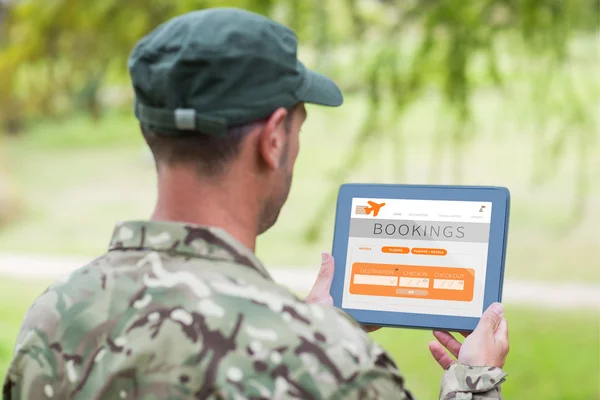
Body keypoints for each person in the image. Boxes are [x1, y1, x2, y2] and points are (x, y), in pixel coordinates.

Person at [3, 8, 509, 400]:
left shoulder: (55, 318)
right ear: (272, 140)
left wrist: (314, 321)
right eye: (298, 127)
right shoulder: (333, 366)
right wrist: (474, 378)